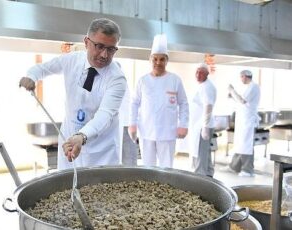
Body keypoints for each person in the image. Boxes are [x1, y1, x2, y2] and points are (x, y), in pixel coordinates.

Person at [19, 18, 126, 170]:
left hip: (102, 151)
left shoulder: (117, 78)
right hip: (69, 142)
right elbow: (42, 69)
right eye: (99, 46)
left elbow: (105, 115)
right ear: (86, 42)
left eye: (111, 49)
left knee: (100, 191)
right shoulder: (72, 60)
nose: (104, 55)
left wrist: (81, 137)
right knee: (67, 189)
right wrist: (31, 77)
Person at [128, 34, 189, 168]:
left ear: (166, 61)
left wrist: (183, 125)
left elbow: (184, 103)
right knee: (147, 168)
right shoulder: (143, 81)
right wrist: (132, 124)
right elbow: (134, 103)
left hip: (168, 132)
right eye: (155, 59)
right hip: (147, 131)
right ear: (150, 60)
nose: (158, 62)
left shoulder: (175, 80)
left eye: (162, 59)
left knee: (166, 168)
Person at [222, 70, 260, 177]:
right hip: (243, 121)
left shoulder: (254, 87)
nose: (241, 79)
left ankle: (247, 170)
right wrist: (232, 95)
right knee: (240, 144)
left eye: (241, 77)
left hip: (248, 121)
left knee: (246, 145)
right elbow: (240, 102)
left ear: (245, 76)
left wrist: (232, 90)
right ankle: (234, 166)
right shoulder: (248, 87)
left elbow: (243, 101)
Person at [189, 63, 217, 177]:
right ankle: (209, 175)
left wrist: (205, 126)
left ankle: (199, 178)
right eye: (196, 72)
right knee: (205, 153)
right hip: (198, 125)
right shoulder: (202, 85)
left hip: (203, 126)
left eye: (201, 72)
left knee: (200, 154)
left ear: (207, 74)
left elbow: (208, 106)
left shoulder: (207, 87)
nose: (198, 74)